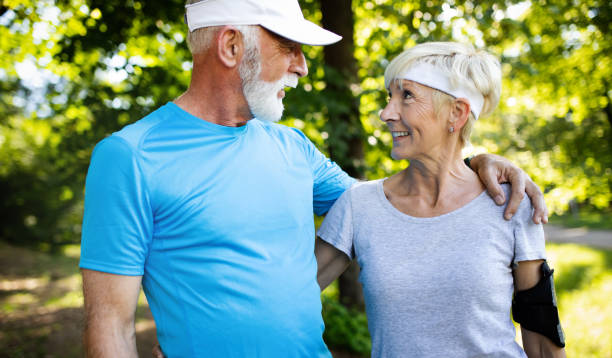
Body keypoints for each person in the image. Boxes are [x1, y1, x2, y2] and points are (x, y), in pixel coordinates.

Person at [79, 0, 548, 357]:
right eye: (289, 47)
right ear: (230, 46)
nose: (302, 65)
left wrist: (475, 160)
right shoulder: (130, 157)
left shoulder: (292, 147)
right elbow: (111, 327)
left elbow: (397, 202)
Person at [316, 42, 565, 357]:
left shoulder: (511, 202)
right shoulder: (359, 205)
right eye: (388, 97)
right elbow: (288, 296)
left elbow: (542, 338)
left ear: (456, 113)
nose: (386, 113)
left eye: (406, 96)